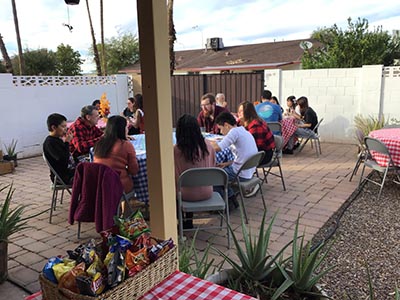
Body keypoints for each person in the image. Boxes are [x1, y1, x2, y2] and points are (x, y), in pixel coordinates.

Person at [174, 114, 216, 228]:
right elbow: (213, 165)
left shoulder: (176, 150)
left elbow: (175, 177)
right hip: (207, 191)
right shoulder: (208, 145)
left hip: (185, 195)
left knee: (173, 188)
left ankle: (181, 221)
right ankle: (188, 220)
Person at [210, 112, 258, 202]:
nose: (220, 132)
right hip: (249, 171)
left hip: (241, 174)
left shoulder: (233, 132)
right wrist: (227, 163)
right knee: (221, 170)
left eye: (220, 129)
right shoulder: (243, 130)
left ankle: (226, 201)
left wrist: (205, 142)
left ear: (226, 125)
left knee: (214, 176)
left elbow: (217, 148)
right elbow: (244, 156)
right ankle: (231, 199)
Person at [94, 115, 139, 193]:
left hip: (99, 185)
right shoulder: (125, 145)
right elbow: (134, 170)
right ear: (122, 129)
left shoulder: (100, 143)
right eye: (126, 127)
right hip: (118, 184)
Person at [237, 101, 275, 165]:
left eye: (241, 111)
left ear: (248, 112)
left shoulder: (256, 125)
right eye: (238, 111)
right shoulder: (242, 122)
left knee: (235, 160)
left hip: (263, 155)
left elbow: (254, 146)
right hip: (255, 152)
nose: (239, 113)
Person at [43, 113, 75, 184]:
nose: (65, 129)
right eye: (63, 127)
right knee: (91, 175)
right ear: (54, 127)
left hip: (70, 171)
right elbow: (63, 160)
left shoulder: (58, 139)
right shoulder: (50, 143)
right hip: (62, 177)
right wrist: (67, 143)